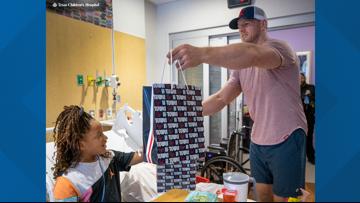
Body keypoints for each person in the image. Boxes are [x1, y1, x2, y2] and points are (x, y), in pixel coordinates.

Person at [167, 6, 307, 202]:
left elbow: (254, 54)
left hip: (287, 136)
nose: (242, 29)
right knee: (262, 197)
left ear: (263, 24)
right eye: (239, 26)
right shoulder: (241, 68)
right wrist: (188, 112)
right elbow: (221, 98)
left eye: (247, 24)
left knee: (285, 199)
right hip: (258, 140)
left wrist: (202, 54)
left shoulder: (280, 48)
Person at [52, 105, 143, 202]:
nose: (105, 138)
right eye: (99, 135)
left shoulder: (109, 157)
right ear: (80, 145)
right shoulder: (68, 182)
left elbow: (137, 157)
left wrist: (154, 146)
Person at [300, 73, 316, 164]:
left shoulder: (311, 87)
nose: (300, 79)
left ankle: (311, 157)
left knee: (309, 137)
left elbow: (315, 99)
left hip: (309, 117)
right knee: (298, 139)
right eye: (299, 78)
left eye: (302, 77)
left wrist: (308, 96)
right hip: (298, 118)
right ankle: (299, 158)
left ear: (304, 78)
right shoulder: (294, 88)